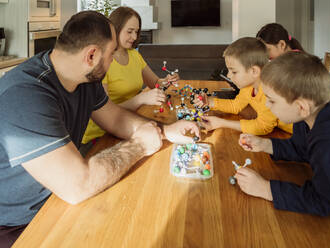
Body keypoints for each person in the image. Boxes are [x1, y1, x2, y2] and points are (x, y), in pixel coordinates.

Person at [0, 11, 199, 247]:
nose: (115, 59)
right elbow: (78, 185)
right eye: (112, 52)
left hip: (57, 200)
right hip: (16, 223)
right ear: (91, 55)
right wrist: (139, 145)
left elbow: (114, 118)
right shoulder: (26, 94)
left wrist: (164, 132)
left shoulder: (83, 78)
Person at [237, 52, 330, 216]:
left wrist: (266, 189)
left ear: (301, 107)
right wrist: (266, 144)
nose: (267, 104)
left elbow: (323, 201)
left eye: (272, 100)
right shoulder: (315, 113)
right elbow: (302, 149)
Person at [82, 6, 180, 147]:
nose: (134, 37)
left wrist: (167, 81)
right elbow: (105, 112)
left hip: (128, 123)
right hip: (101, 134)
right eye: (129, 31)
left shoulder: (134, 55)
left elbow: (156, 84)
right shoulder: (102, 61)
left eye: (136, 32)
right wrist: (140, 99)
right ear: (115, 29)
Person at [194, 37, 292, 135]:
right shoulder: (248, 87)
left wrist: (222, 123)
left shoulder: (270, 91)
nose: (228, 75)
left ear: (254, 71)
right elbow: (236, 106)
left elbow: (262, 127)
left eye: (234, 71)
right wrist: (209, 102)